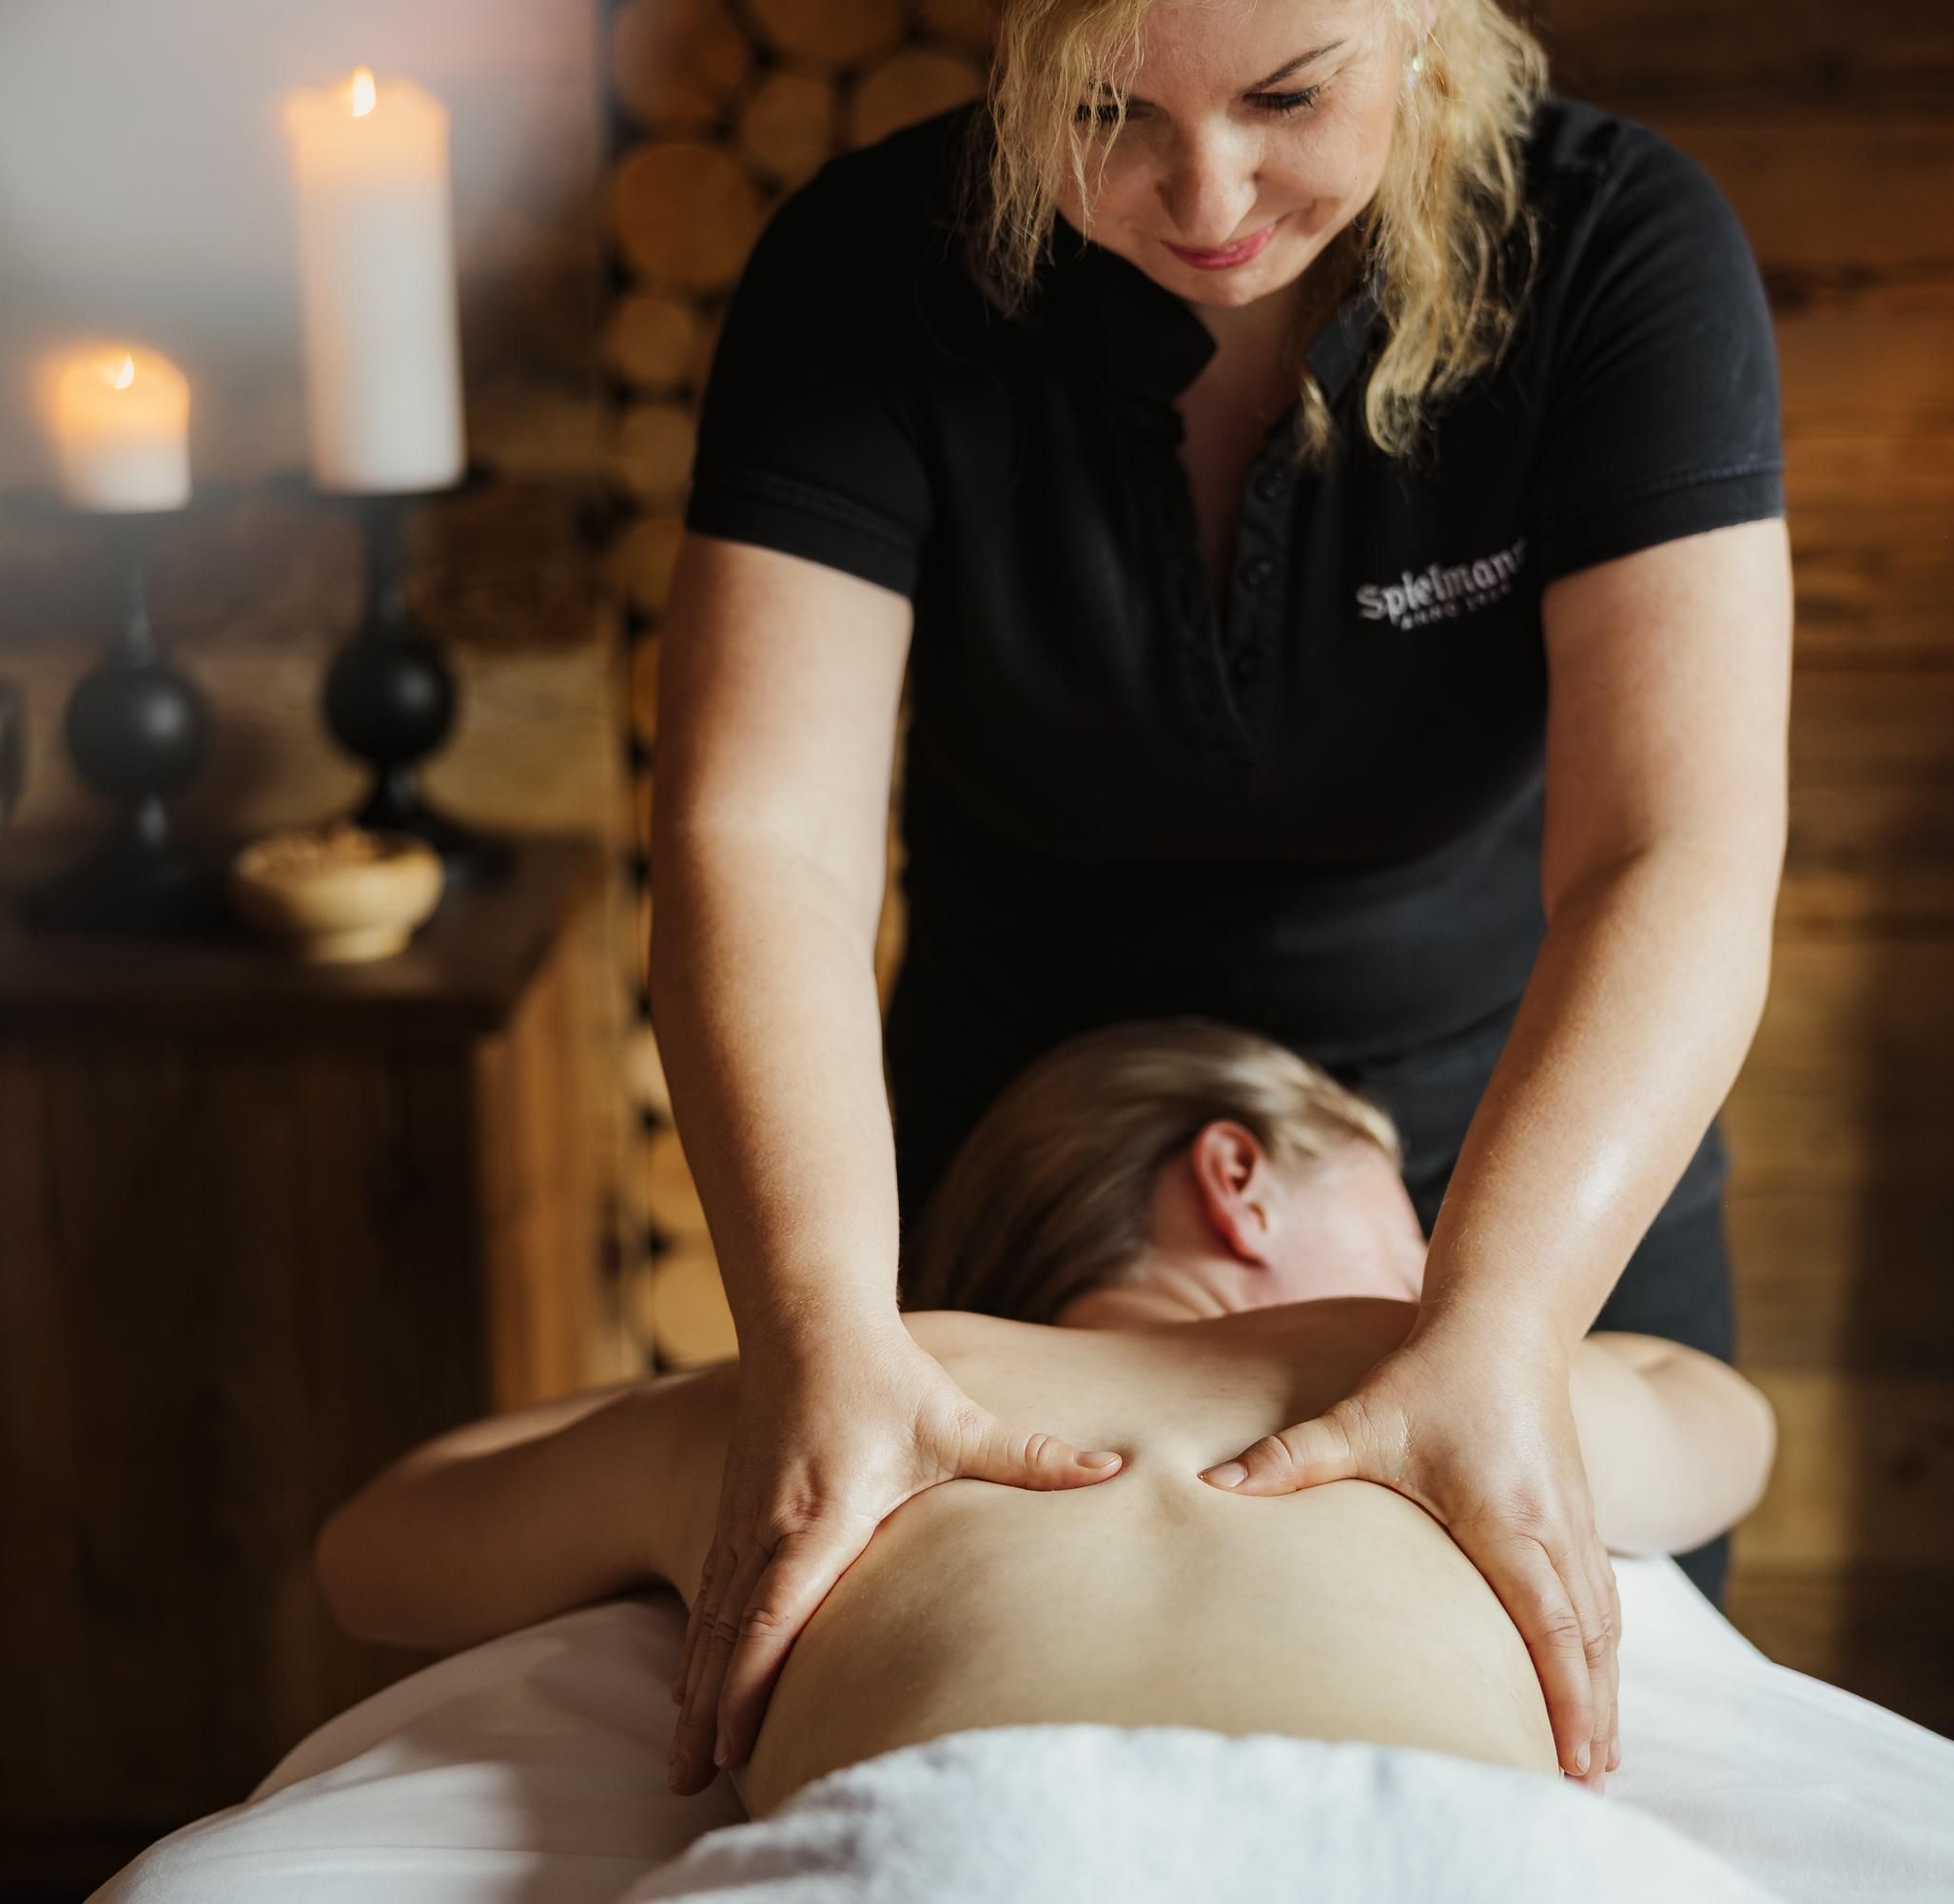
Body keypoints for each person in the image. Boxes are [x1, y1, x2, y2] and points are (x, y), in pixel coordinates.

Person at [647, 0, 1793, 1798]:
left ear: (1420, 28)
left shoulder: (1612, 251)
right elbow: (759, 843)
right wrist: (820, 1329)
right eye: (1106, 109)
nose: (1206, 192)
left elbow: (1676, 849)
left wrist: (1495, 1330)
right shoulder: (869, 272)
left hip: (1513, 1133)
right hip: (1035, 1162)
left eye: (1286, 95)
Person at [315, 1024, 1776, 1809]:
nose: (1427, 1274)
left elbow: (380, 1541)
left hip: (957, 1841)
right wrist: (1492, 1341)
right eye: (1407, 1231)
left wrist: (714, 1384)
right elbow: (1721, 1419)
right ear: (1237, 1175)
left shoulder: (833, 1411)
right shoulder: (1425, 1372)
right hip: (1435, 1847)